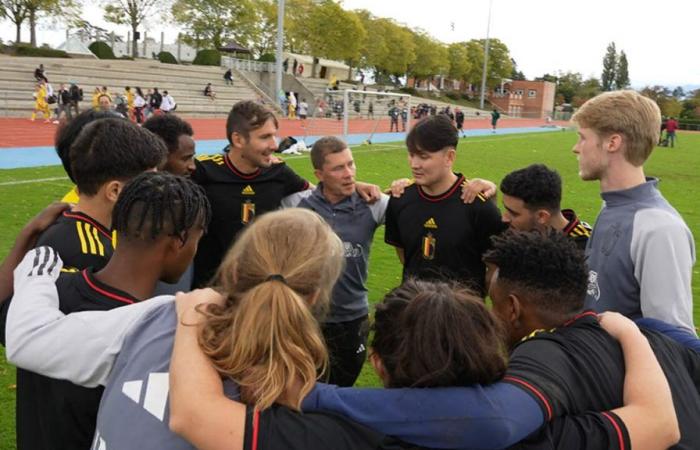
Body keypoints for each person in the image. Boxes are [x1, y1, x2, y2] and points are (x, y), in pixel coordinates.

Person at [302, 231, 698, 449]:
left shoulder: (545, 353)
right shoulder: (652, 334)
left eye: (492, 305)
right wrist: (633, 331)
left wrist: (316, 396)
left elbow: (498, 419)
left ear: (512, 308)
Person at [6, 209, 356, 450]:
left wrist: (37, 274)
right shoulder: (300, 395)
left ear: (233, 272)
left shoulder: (160, 316)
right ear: (315, 298)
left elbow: (28, 341)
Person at [0, 120, 168, 450]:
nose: (156, 191)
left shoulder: (84, 233)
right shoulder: (83, 248)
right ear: (116, 190)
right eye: (149, 181)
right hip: (67, 428)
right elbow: (13, 327)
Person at [572, 90, 696, 333]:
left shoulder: (659, 229)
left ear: (612, 143)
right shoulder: (612, 206)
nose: (576, 148)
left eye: (582, 138)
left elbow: (671, 343)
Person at [281, 137, 389, 387]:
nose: (349, 173)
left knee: (342, 389)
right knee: (304, 390)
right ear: (319, 173)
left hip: (353, 319)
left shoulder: (374, 204)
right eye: (338, 168)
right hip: (306, 319)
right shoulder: (295, 204)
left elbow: (417, 203)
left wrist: (480, 186)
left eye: (351, 164)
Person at [384, 114, 505, 294]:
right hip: (412, 311)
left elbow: (495, 270)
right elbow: (405, 257)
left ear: (449, 157)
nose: (414, 164)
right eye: (411, 154)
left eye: (423, 156)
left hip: (462, 317)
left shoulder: (479, 206)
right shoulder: (400, 198)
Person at [500, 164, 592, 250]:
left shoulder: (585, 248)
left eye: (513, 213)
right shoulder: (522, 233)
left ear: (542, 216)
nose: (504, 218)